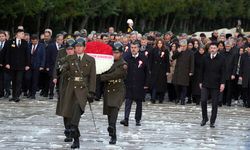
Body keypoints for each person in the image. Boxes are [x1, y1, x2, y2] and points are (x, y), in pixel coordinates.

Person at [61, 38, 96, 149]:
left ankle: (73, 127)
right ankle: (76, 140)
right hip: (71, 88)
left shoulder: (90, 59)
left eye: (81, 46)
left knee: (77, 109)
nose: (78, 48)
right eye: (76, 47)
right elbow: (63, 68)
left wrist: (92, 92)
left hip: (83, 89)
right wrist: (61, 68)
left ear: (84, 47)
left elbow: (93, 77)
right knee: (71, 114)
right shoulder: (70, 58)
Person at [100, 42, 127, 144]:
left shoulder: (123, 64)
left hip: (118, 90)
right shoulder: (108, 62)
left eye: (117, 53)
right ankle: (112, 134)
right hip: (108, 89)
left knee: (114, 109)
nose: (115, 54)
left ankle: (112, 128)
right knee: (109, 112)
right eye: (113, 52)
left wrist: (101, 78)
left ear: (121, 53)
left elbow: (115, 75)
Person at [120, 42, 150, 126]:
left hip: (140, 84)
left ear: (138, 48)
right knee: (128, 102)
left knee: (139, 103)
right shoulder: (127, 57)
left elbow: (147, 71)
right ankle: (126, 119)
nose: (133, 49)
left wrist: (146, 83)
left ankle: (138, 119)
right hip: (129, 83)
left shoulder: (143, 58)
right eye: (132, 47)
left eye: (135, 47)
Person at [53, 38, 75, 143]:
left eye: (71, 48)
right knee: (64, 108)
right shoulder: (61, 53)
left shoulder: (79, 55)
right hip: (64, 84)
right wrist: (55, 76)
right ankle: (67, 130)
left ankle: (72, 129)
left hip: (75, 86)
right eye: (68, 48)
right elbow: (56, 66)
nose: (69, 50)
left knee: (73, 109)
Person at [199, 42, 225, 128]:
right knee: (203, 100)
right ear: (209, 49)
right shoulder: (205, 57)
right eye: (211, 48)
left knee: (214, 104)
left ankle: (212, 121)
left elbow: (223, 73)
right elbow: (201, 70)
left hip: (216, 84)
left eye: (214, 47)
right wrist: (200, 82)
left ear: (217, 49)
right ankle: (204, 118)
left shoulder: (221, 58)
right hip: (205, 83)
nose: (213, 49)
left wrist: (222, 83)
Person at [5, 29, 30, 102]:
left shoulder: (25, 43)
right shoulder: (10, 42)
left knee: (19, 81)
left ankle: (17, 96)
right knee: (13, 81)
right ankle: (13, 96)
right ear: (17, 34)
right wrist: (7, 63)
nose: (23, 35)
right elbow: (7, 53)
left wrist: (27, 64)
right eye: (22, 34)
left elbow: (27, 54)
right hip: (12, 65)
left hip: (21, 66)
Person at [172, 39, 194, 105]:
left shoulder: (190, 52)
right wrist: (178, 51)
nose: (183, 47)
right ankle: (178, 97)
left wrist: (191, 71)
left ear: (186, 45)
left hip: (185, 72)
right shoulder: (178, 51)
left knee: (184, 86)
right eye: (181, 46)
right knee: (176, 85)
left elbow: (192, 63)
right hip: (178, 71)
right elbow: (173, 57)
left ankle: (182, 99)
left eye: (184, 46)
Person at [24, 34, 46, 99]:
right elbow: (26, 55)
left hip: (37, 65)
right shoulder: (29, 45)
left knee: (35, 80)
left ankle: (33, 94)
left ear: (38, 40)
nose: (33, 42)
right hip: (29, 66)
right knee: (28, 78)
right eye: (32, 41)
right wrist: (26, 64)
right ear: (31, 40)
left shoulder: (41, 46)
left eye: (35, 41)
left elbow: (43, 56)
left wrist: (42, 65)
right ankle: (29, 91)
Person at [150, 39, 170, 104]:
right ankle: (153, 98)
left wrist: (167, 70)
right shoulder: (153, 50)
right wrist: (150, 69)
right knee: (154, 84)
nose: (159, 44)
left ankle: (161, 98)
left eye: (161, 43)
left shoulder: (165, 51)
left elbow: (167, 61)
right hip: (155, 69)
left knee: (162, 85)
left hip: (162, 70)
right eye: (158, 43)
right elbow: (151, 60)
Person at [44, 34, 64, 99]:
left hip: (61, 66)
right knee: (52, 80)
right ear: (56, 39)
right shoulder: (51, 46)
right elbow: (47, 56)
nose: (60, 41)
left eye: (62, 40)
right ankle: (51, 93)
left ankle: (59, 93)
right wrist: (47, 66)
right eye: (59, 39)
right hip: (52, 65)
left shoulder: (63, 47)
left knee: (60, 80)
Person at [220, 41, 237, 106]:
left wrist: (233, 74)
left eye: (228, 46)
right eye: (226, 46)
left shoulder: (234, 54)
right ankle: (222, 101)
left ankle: (228, 102)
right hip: (222, 74)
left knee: (229, 89)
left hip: (230, 74)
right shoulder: (221, 53)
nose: (227, 47)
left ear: (231, 46)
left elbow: (235, 65)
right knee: (222, 88)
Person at [0, 31, 7, 98]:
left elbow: (8, 55)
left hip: (5, 65)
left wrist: (3, 63)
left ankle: (3, 92)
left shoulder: (8, 44)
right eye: (0, 36)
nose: (1, 37)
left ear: (5, 37)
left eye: (2, 36)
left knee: (3, 79)